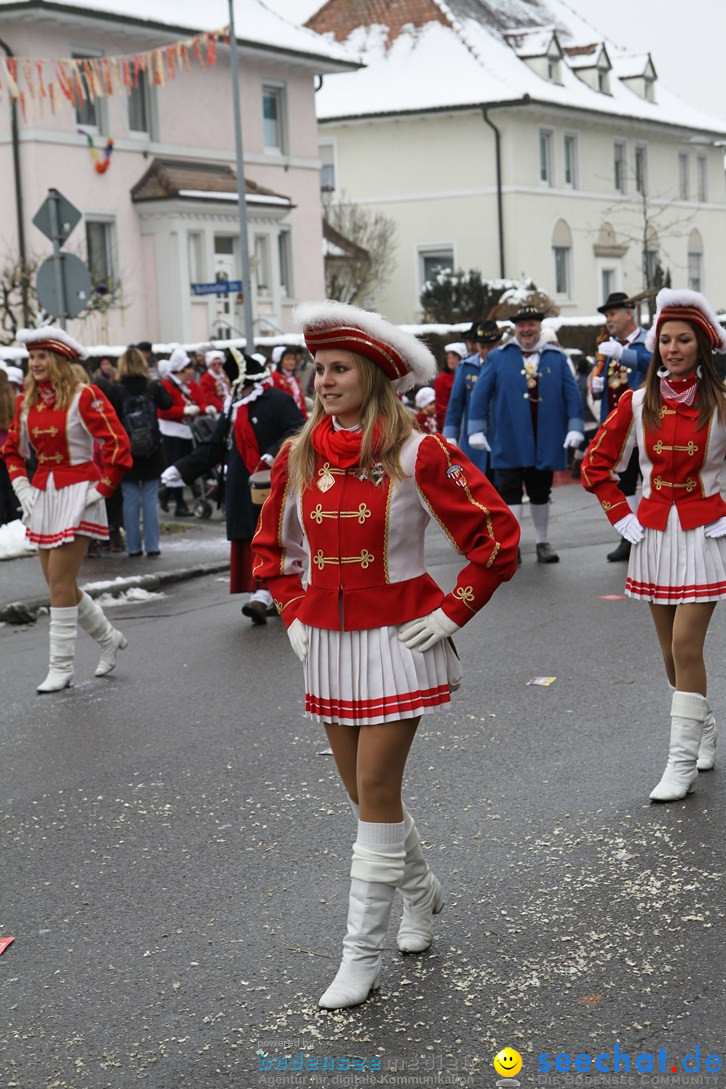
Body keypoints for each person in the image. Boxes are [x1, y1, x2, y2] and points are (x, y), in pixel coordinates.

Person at [252, 301, 520, 1009]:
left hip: (400, 642)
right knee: (366, 797)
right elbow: (271, 552)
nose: (323, 380)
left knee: (374, 794)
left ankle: (357, 957)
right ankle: (421, 892)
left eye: (339, 368)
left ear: (373, 376)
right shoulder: (298, 454)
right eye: (318, 369)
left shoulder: (418, 452)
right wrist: (290, 613)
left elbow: (495, 536)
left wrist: (452, 608)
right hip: (330, 646)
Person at [582, 288, 726, 801]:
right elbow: (597, 465)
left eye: (683, 339)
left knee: (687, 646)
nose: (672, 348)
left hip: (705, 537)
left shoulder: (722, 405)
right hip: (653, 538)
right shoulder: (638, 402)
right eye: (665, 339)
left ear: (701, 346)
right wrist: (621, 516)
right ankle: (704, 729)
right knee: (670, 654)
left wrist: (724, 515)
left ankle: (679, 765)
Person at [0, 327, 132, 691]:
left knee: (58, 582)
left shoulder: (84, 396)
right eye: (32, 357)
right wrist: (21, 484)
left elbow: (118, 445)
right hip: (44, 493)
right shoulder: (29, 401)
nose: (36, 363)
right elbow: (12, 449)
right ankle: (107, 638)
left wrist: (102, 488)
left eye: (42, 356)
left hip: (79, 495)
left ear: (58, 360)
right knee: (60, 583)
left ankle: (61, 667)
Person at [162, 349, 304, 623]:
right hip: (241, 486)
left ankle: (264, 594)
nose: (222, 383)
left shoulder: (276, 400)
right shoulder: (234, 406)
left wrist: (273, 453)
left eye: (226, 377)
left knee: (272, 538)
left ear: (241, 378)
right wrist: (182, 469)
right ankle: (264, 592)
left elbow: (299, 431)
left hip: (272, 485)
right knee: (249, 537)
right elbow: (214, 446)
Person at [468, 305, 584, 563]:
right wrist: (475, 429)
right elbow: (481, 394)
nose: (527, 329)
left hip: (545, 437)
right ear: (515, 328)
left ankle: (543, 542)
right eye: (522, 325)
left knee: (540, 490)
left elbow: (571, 395)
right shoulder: (499, 356)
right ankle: (513, 545)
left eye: (531, 324)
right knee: (508, 490)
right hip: (508, 437)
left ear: (539, 327)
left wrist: (576, 425)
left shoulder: (556, 356)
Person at [589, 291, 652, 563]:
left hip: (647, 422)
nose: (608, 320)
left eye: (612, 314)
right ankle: (630, 535)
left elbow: (652, 364)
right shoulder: (607, 345)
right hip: (618, 426)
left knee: (648, 477)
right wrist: (596, 386)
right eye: (606, 316)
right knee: (624, 480)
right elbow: (605, 379)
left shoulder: (648, 341)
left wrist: (623, 354)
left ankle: (651, 530)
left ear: (628, 313)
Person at [108, 347, 173, 557]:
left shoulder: (115, 390)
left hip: (126, 449)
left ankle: (133, 547)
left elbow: (109, 419)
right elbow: (167, 404)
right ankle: (152, 546)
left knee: (130, 498)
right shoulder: (152, 386)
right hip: (152, 450)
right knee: (150, 498)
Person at [443, 320, 503, 474]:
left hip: (502, 437)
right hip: (473, 439)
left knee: (505, 488)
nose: (487, 351)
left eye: (491, 347)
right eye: (482, 346)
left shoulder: (506, 364)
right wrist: (450, 436)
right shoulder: (466, 367)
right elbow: (455, 405)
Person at [157, 347, 206, 517]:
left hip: (188, 430)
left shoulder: (191, 385)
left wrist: (206, 409)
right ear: (181, 370)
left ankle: (167, 493)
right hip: (172, 432)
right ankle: (179, 502)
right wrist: (184, 411)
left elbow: (199, 403)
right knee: (175, 466)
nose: (192, 371)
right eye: (189, 368)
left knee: (186, 466)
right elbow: (163, 411)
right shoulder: (166, 386)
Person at [434, 341, 465, 432]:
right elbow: (441, 406)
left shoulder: (464, 375)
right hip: (450, 423)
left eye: (454, 357)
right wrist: (449, 426)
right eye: (449, 357)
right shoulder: (442, 379)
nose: (451, 360)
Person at [271, 344, 308, 419]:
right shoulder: (275, 377)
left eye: (293, 359)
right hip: (284, 416)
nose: (291, 362)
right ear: (280, 362)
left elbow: (301, 400)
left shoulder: (295, 379)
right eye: (287, 359)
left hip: (299, 415)